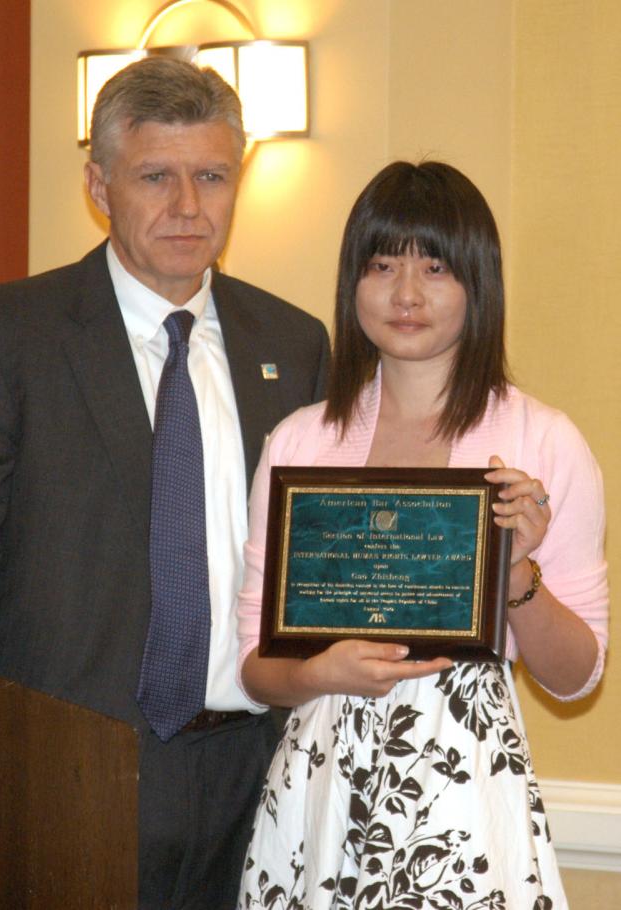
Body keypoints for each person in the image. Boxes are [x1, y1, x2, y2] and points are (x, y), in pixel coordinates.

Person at [0, 58, 329, 909]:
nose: (188, 207)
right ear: (99, 185)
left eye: (212, 176)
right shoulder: (9, 334)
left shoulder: (294, 342)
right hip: (61, 771)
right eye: (156, 176)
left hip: (257, 775)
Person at [236, 161, 608, 909]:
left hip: (465, 792)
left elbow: (577, 678)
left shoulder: (542, 441)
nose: (406, 294)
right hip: (321, 787)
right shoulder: (302, 442)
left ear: (479, 285)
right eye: (382, 265)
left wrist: (514, 581)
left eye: (435, 268)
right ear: (352, 284)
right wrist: (320, 674)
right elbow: (253, 661)